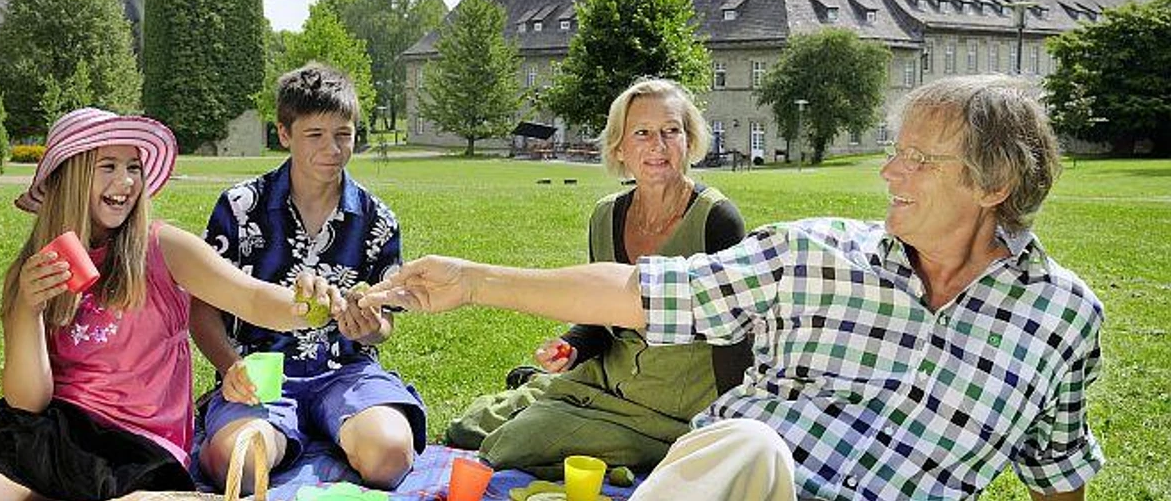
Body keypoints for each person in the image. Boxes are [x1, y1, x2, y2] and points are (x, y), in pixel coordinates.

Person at [362, 75, 1103, 501]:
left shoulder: (1063, 318)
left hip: (672, 413)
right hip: (748, 482)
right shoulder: (812, 252)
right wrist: (475, 280)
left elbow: (1058, 470)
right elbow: (638, 293)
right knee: (748, 444)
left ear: (995, 183)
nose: (889, 172)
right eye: (894, 151)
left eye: (920, 159)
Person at [0, 108, 343, 501]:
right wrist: (25, 310)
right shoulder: (34, 271)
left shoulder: (164, 248)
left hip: (139, 450)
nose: (126, 182)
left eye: (133, 167)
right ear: (71, 177)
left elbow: (251, 297)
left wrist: (309, 305)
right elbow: (27, 401)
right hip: (54, 433)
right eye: (107, 166)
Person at [444, 78, 751, 479]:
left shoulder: (717, 219)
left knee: (509, 445)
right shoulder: (606, 215)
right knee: (467, 426)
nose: (658, 145)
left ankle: (550, 402)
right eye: (642, 133)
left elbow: (736, 337)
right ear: (619, 147)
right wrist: (572, 346)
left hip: (667, 408)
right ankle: (542, 387)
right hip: (604, 377)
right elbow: (601, 315)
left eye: (671, 131)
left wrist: (726, 431)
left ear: (689, 141)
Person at [190, 62, 424, 493]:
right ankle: (264, 432)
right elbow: (201, 311)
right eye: (314, 134)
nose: (331, 148)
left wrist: (370, 327)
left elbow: (385, 324)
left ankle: (332, 430)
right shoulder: (239, 208)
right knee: (240, 466)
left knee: (390, 457)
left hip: (348, 373)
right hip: (261, 374)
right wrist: (230, 368)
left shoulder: (378, 219)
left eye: (343, 134)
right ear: (284, 134)